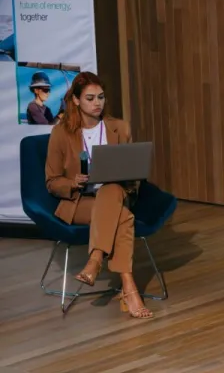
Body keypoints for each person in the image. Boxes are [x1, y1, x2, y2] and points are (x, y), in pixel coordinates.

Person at [45, 72, 152, 319]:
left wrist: (126, 180)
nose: (97, 103)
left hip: (115, 195)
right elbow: (51, 182)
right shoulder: (61, 133)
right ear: (76, 101)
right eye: (90, 98)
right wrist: (72, 182)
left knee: (112, 189)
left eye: (101, 97)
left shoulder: (119, 127)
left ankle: (95, 260)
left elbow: (133, 176)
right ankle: (129, 287)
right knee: (123, 219)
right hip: (79, 202)